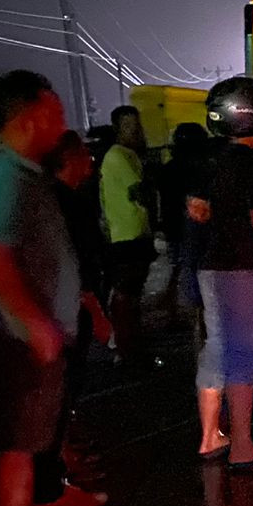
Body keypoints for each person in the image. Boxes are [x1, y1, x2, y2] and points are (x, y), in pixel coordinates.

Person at [0, 70, 82, 506]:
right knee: (17, 445)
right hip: (18, 340)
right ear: (32, 118)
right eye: (55, 114)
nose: (61, 124)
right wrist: (35, 323)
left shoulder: (20, 176)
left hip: (22, 335)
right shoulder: (1, 177)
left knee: (9, 443)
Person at [189, 77, 253, 472]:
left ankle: (210, 436)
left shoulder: (207, 161)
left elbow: (197, 213)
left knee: (217, 347)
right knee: (244, 354)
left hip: (210, 267)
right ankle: (244, 447)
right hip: (246, 268)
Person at [31, 130, 111, 506]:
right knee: (61, 393)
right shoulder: (67, 205)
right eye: (84, 156)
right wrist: (96, 312)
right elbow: (75, 266)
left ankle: (61, 464)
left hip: (55, 311)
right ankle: (54, 481)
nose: (90, 163)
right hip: (67, 312)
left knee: (60, 395)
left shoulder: (46, 200)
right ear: (68, 160)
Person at [99, 104, 154, 365]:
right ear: (118, 129)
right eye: (129, 126)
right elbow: (139, 191)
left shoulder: (128, 155)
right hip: (126, 236)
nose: (136, 131)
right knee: (126, 295)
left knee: (132, 295)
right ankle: (126, 348)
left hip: (135, 233)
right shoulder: (118, 156)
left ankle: (131, 345)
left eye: (137, 125)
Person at [157, 121, 211, 316]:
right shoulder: (203, 168)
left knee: (180, 269)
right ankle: (196, 318)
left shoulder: (169, 169)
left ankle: (174, 311)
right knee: (196, 273)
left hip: (173, 226)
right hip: (198, 228)